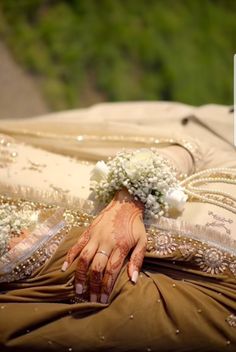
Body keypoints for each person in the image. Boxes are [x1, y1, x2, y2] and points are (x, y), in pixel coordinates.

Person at [0, 102, 236, 351]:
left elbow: (103, 318)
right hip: (52, 176)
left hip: (31, 246)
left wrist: (27, 251)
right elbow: (198, 152)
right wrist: (131, 200)